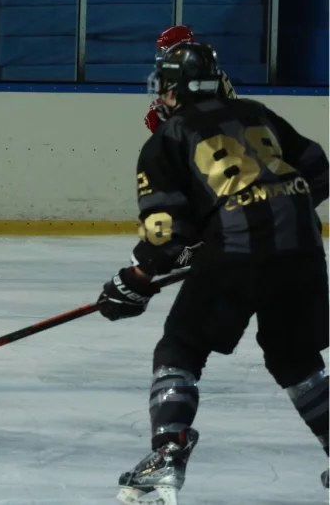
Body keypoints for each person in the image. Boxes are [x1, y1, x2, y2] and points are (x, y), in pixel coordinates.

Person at [98, 42, 329, 504]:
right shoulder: (256, 113)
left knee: (181, 347)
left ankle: (167, 454)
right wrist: (268, 211)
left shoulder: (167, 138)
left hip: (237, 252)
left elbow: (165, 232)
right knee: (295, 358)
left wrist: (137, 278)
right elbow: (319, 170)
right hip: (303, 249)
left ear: (172, 90)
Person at [144, 26, 236, 134]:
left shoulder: (199, 75)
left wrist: (164, 119)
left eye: (165, 51)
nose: (163, 57)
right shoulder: (208, 70)